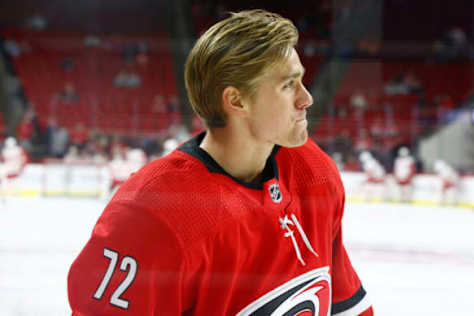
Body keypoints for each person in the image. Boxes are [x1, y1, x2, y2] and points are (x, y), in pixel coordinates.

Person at [68, 10, 374, 316]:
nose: (306, 98)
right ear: (237, 101)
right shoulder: (154, 212)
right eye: (288, 85)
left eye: (301, 81)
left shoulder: (313, 172)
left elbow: (347, 305)